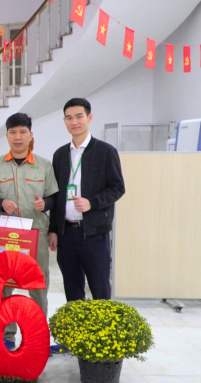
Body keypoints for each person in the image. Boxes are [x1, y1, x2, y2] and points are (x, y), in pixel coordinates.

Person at [49, 98, 125, 352]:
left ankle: (103, 344)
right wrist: (53, 229)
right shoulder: (60, 155)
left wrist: (92, 203)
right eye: (69, 117)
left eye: (79, 116)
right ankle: (75, 341)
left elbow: (117, 188)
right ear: (64, 121)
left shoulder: (105, 151)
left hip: (94, 234)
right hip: (67, 234)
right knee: (72, 289)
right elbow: (56, 195)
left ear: (89, 118)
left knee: (100, 288)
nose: (74, 122)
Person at [0, 113, 58, 350]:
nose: (18, 137)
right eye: (13, 132)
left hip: (35, 234)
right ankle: (7, 335)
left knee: (38, 286)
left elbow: (54, 196)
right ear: (7, 136)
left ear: (30, 135)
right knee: (4, 286)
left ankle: (37, 336)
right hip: (5, 235)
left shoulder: (44, 165)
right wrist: (1, 203)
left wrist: (45, 204)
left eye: (23, 132)